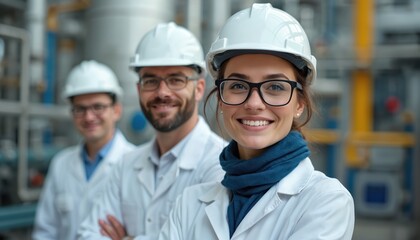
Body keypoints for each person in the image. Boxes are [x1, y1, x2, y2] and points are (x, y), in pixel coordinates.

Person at [159, 3, 355, 240]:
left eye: (275, 87)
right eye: (238, 86)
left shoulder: (326, 202)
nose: (254, 103)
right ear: (221, 98)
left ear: (299, 103)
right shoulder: (189, 203)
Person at [77, 22, 226, 240]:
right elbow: (87, 234)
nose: (162, 92)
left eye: (176, 79)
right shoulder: (125, 165)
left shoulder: (220, 164)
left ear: (199, 89)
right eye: (151, 81)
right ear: (138, 89)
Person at [32, 60, 136, 240]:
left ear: (117, 110)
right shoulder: (61, 163)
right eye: (80, 109)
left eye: (98, 107)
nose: (89, 117)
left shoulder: (137, 163)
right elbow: (45, 231)